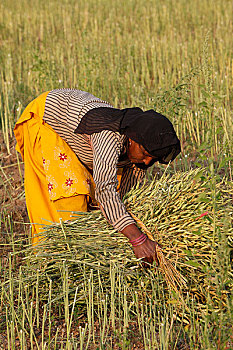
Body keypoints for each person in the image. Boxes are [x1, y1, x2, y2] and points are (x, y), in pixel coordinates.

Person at [14, 88, 181, 265]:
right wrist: (137, 240)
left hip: (74, 128)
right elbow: (105, 191)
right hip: (46, 120)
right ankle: (48, 262)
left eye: (153, 159)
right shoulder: (109, 137)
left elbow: (125, 195)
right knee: (71, 201)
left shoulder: (140, 147)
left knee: (100, 203)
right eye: (146, 154)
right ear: (132, 140)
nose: (147, 162)